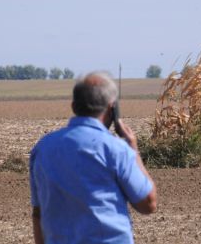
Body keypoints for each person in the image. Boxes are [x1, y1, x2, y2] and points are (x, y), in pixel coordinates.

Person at [29, 71, 157, 244]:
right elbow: (148, 204)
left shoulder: (42, 149)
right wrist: (133, 149)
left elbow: (38, 214)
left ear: (74, 107)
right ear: (112, 109)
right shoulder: (116, 149)